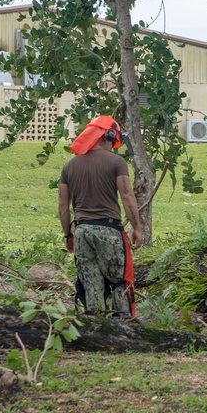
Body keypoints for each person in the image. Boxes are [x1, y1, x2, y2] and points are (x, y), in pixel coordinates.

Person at [58, 115, 143, 317]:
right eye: (114, 141)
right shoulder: (117, 162)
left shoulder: (69, 166)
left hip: (82, 231)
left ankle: (96, 327)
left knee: (91, 284)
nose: (114, 146)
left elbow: (63, 205)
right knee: (121, 280)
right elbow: (127, 196)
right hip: (110, 230)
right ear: (108, 135)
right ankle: (126, 325)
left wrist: (68, 235)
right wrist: (137, 228)